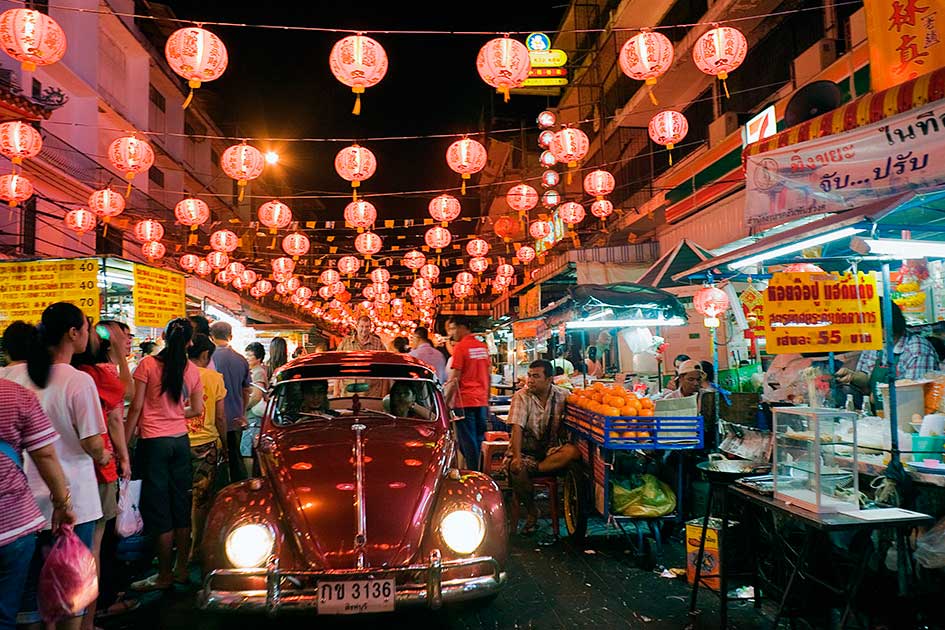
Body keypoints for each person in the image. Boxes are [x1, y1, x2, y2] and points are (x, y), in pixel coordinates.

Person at [3, 303, 107, 629]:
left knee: (27, 597)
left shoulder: (10, 375)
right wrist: (106, 456)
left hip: (22, 505)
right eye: (87, 329)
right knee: (70, 590)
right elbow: (93, 443)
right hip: (73, 498)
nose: (89, 335)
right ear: (73, 333)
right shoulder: (79, 381)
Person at [126, 318, 204, 592]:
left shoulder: (147, 364)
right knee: (180, 506)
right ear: (190, 343)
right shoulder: (193, 370)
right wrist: (173, 413)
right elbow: (196, 410)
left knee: (160, 511)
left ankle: (162, 575)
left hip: (154, 443)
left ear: (163, 336)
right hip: (179, 442)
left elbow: (135, 408)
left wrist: (124, 445)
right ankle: (181, 570)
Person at [0, 377, 76, 630]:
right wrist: (62, 503)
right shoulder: (16, 395)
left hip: (15, 528)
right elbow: (44, 455)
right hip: (13, 526)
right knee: (5, 613)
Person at [71, 321, 131, 630]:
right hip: (97, 468)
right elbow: (118, 413)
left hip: (57, 476)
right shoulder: (93, 377)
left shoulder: (39, 376)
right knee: (92, 547)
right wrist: (120, 456)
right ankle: (87, 620)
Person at [506, 360, 580, 534]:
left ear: (549, 379)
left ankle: (536, 469)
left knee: (572, 452)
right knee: (517, 469)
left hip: (549, 454)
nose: (530, 380)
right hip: (524, 453)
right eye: (529, 376)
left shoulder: (563, 395)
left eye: (536, 376)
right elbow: (517, 428)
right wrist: (516, 457)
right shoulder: (521, 396)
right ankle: (533, 511)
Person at [836, 302, 939, 398]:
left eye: (871, 325)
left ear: (888, 325)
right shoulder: (876, 344)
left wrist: (878, 397)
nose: (865, 330)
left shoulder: (917, 350)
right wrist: (852, 376)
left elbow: (913, 395)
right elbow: (867, 375)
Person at [185, 334, 226, 553]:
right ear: (205, 354)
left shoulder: (175, 374)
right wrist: (226, 446)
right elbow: (220, 417)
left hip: (178, 442)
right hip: (206, 444)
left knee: (179, 497)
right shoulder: (214, 378)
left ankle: (179, 551)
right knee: (200, 499)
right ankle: (196, 548)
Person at [444, 316, 490, 471]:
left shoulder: (461, 347)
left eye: (452, 328)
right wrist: (487, 400)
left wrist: (445, 402)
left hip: (464, 402)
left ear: (462, 327)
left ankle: (474, 476)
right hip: (482, 401)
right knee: (478, 441)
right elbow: (488, 375)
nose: (452, 333)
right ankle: (480, 473)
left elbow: (454, 379)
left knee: (467, 444)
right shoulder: (482, 347)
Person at [209, 322, 250, 483]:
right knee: (235, 458)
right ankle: (241, 493)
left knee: (216, 463)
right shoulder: (241, 360)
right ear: (231, 336)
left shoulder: (207, 359)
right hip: (235, 418)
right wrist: (242, 412)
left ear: (211, 337)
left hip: (212, 420)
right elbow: (246, 390)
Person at [337, 316, 387, 397]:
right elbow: (338, 367)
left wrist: (384, 394)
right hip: (348, 391)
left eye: (367, 326)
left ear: (370, 328)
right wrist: (336, 390)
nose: (364, 329)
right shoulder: (345, 343)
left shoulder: (378, 344)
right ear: (356, 326)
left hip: (371, 392)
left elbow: (384, 370)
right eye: (362, 326)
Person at [242, 342, 268, 477]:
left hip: (254, 416)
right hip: (253, 416)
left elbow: (257, 396)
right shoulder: (254, 371)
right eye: (246, 355)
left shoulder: (258, 372)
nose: (247, 358)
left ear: (258, 358)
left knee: (247, 449)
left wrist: (242, 408)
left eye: (250, 356)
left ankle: (250, 479)